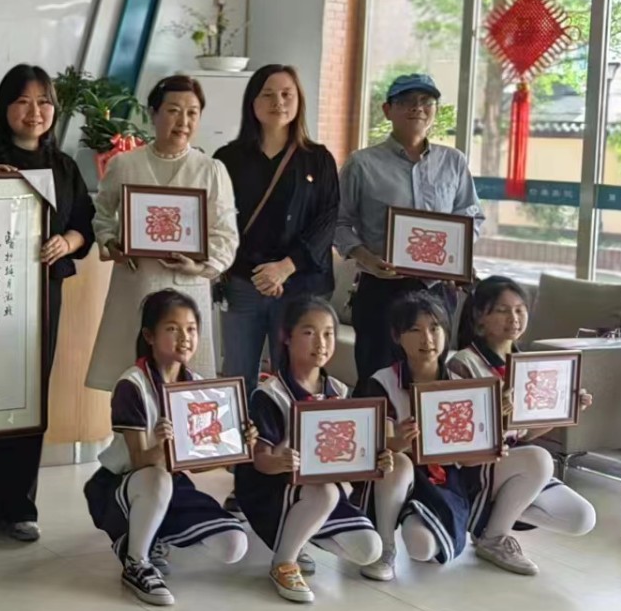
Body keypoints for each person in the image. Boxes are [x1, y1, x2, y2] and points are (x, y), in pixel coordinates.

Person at [0, 64, 94, 545]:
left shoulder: (64, 165)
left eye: (44, 102)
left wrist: (66, 243)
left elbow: (85, 226)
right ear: (4, 106)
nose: (35, 112)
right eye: (23, 101)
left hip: (42, 295)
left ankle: (21, 506)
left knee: (31, 397)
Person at [353, 291, 594, 581]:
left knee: (541, 463)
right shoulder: (383, 381)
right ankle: (386, 550)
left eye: (435, 328)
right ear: (397, 336)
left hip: (455, 480)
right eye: (414, 330)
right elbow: (377, 445)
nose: (427, 339)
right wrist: (401, 442)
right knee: (402, 477)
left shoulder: (463, 384)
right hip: (408, 480)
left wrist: (492, 442)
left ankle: (491, 532)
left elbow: (471, 456)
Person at [82, 289, 252, 606]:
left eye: (191, 329)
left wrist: (238, 445)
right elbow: (139, 461)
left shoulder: (197, 384)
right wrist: (162, 445)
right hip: (122, 483)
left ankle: (155, 532)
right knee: (157, 478)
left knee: (234, 545)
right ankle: (136, 562)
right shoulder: (132, 385)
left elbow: (196, 463)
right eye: (172, 329)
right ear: (149, 335)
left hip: (172, 482)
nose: (184, 338)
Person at [233, 297, 387, 603]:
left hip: (317, 488)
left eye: (328, 333)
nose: (321, 342)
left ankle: (299, 536)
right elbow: (260, 462)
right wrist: (280, 460)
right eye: (309, 332)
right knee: (325, 493)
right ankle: (284, 563)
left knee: (370, 549)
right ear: (286, 337)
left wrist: (375, 460)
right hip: (272, 490)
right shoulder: (271, 394)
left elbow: (348, 460)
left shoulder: (339, 391)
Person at [88, 75, 238, 385]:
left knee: (186, 385)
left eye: (192, 112)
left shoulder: (211, 170)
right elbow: (101, 213)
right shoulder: (125, 164)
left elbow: (226, 235)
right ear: (153, 113)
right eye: (173, 110)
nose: (183, 121)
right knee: (130, 380)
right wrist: (111, 242)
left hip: (188, 288)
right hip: (135, 283)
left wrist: (201, 267)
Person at [335, 73, 483, 382]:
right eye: (406, 101)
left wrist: (456, 259)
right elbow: (338, 222)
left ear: (435, 110)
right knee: (377, 380)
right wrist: (366, 258)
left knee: (431, 380)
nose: (417, 108)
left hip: (437, 292)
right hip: (381, 288)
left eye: (426, 101)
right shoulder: (362, 164)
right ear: (388, 110)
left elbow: (472, 218)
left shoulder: (454, 162)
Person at [447, 276, 597, 554]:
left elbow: (525, 434)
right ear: (479, 317)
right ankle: (494, 539)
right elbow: (461, 439)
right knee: (539, 458)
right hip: (477, 467)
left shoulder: (527, 365)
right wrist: (497, 416)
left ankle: (492, 519)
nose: (514, 318)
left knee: (581, 518)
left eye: (520, 310)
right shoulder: (464, 363)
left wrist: (566, 409)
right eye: (502, 310)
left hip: (515, 465)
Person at [213, 64, 339, 392]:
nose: (278, 102)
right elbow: (217, 219)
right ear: (252, 102)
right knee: (237, 377)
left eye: (286, 94)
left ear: (299, 101)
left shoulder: (318, 159)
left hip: (301, 286)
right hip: (244, 283)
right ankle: (242, 428)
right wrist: (256, 273)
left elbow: (327, 221)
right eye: (267, 94)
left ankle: (285, 430)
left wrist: (285, 267)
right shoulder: (227, 158)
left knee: (296, 379)